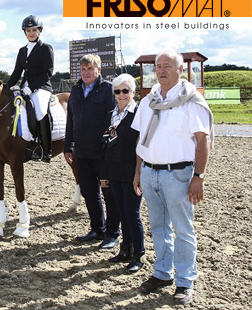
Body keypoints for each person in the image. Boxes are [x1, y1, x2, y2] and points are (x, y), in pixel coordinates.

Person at [132, 49, 213, 305]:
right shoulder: (148, 101)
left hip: (178, 174)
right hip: (149, 172)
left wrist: (198, 176)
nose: (162, 70)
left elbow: (203, 139)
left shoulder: (191, 101)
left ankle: (185, 281)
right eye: (158, 66)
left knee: (182, 229)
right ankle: (163, 272)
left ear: (180, 70)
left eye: (168, 65)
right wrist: (138, 171)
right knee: (158, 226)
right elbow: (141, 139)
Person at [64, 54, 120, 250]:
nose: (86, 73)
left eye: (90, 69)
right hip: (81, 151)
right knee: (89, 192)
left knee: (109, 194)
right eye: (83, 69)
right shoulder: (76, 90)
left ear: (98, 70)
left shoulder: (108, 90)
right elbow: (71, 119)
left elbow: (113, 122)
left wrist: (108, 148)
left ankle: (113, 233)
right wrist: (68, 145)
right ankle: (98, 228)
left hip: (102, 152)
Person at [99, 74, 145, 273]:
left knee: (132, 214)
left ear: (133, 93)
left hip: (131, 172)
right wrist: (104, 174)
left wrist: (138, 174)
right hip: (114, 171)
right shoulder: (111, 114)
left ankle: (138, 254)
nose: (121, 94)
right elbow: (105, 146)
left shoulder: (138, 115)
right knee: (121, 213)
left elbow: (140, 147)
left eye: (126, 91)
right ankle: (125, 249)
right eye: (117, 91)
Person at [6, 15, 54, 162]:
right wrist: (5, 89)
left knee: (39, 110)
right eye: (28, 30)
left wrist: (32, 88)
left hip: (41, 87)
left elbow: (48, 72)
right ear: (25, 32)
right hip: (24, 87)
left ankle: (46, 150)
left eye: (34, 30)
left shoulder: (45, 48)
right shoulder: (22, 50)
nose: (31, 33)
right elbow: (16, 73)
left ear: (39, 31)